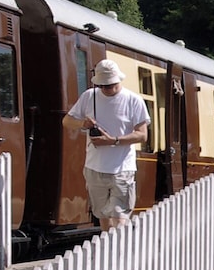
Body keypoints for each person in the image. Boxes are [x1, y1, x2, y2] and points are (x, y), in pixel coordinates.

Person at [61, 59, 150, 230]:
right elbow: (67, 121)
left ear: (118, 80)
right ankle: (110, 252)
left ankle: (119, 252)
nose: (105, 89)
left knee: (119, 216)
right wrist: (83, 124)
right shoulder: (89, 96)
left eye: (109, 85)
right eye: (102, 85)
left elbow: (142, 135)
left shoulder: (133, 100)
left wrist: (114, 140)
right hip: (94, 167)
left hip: (122, 169)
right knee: (103, 216)